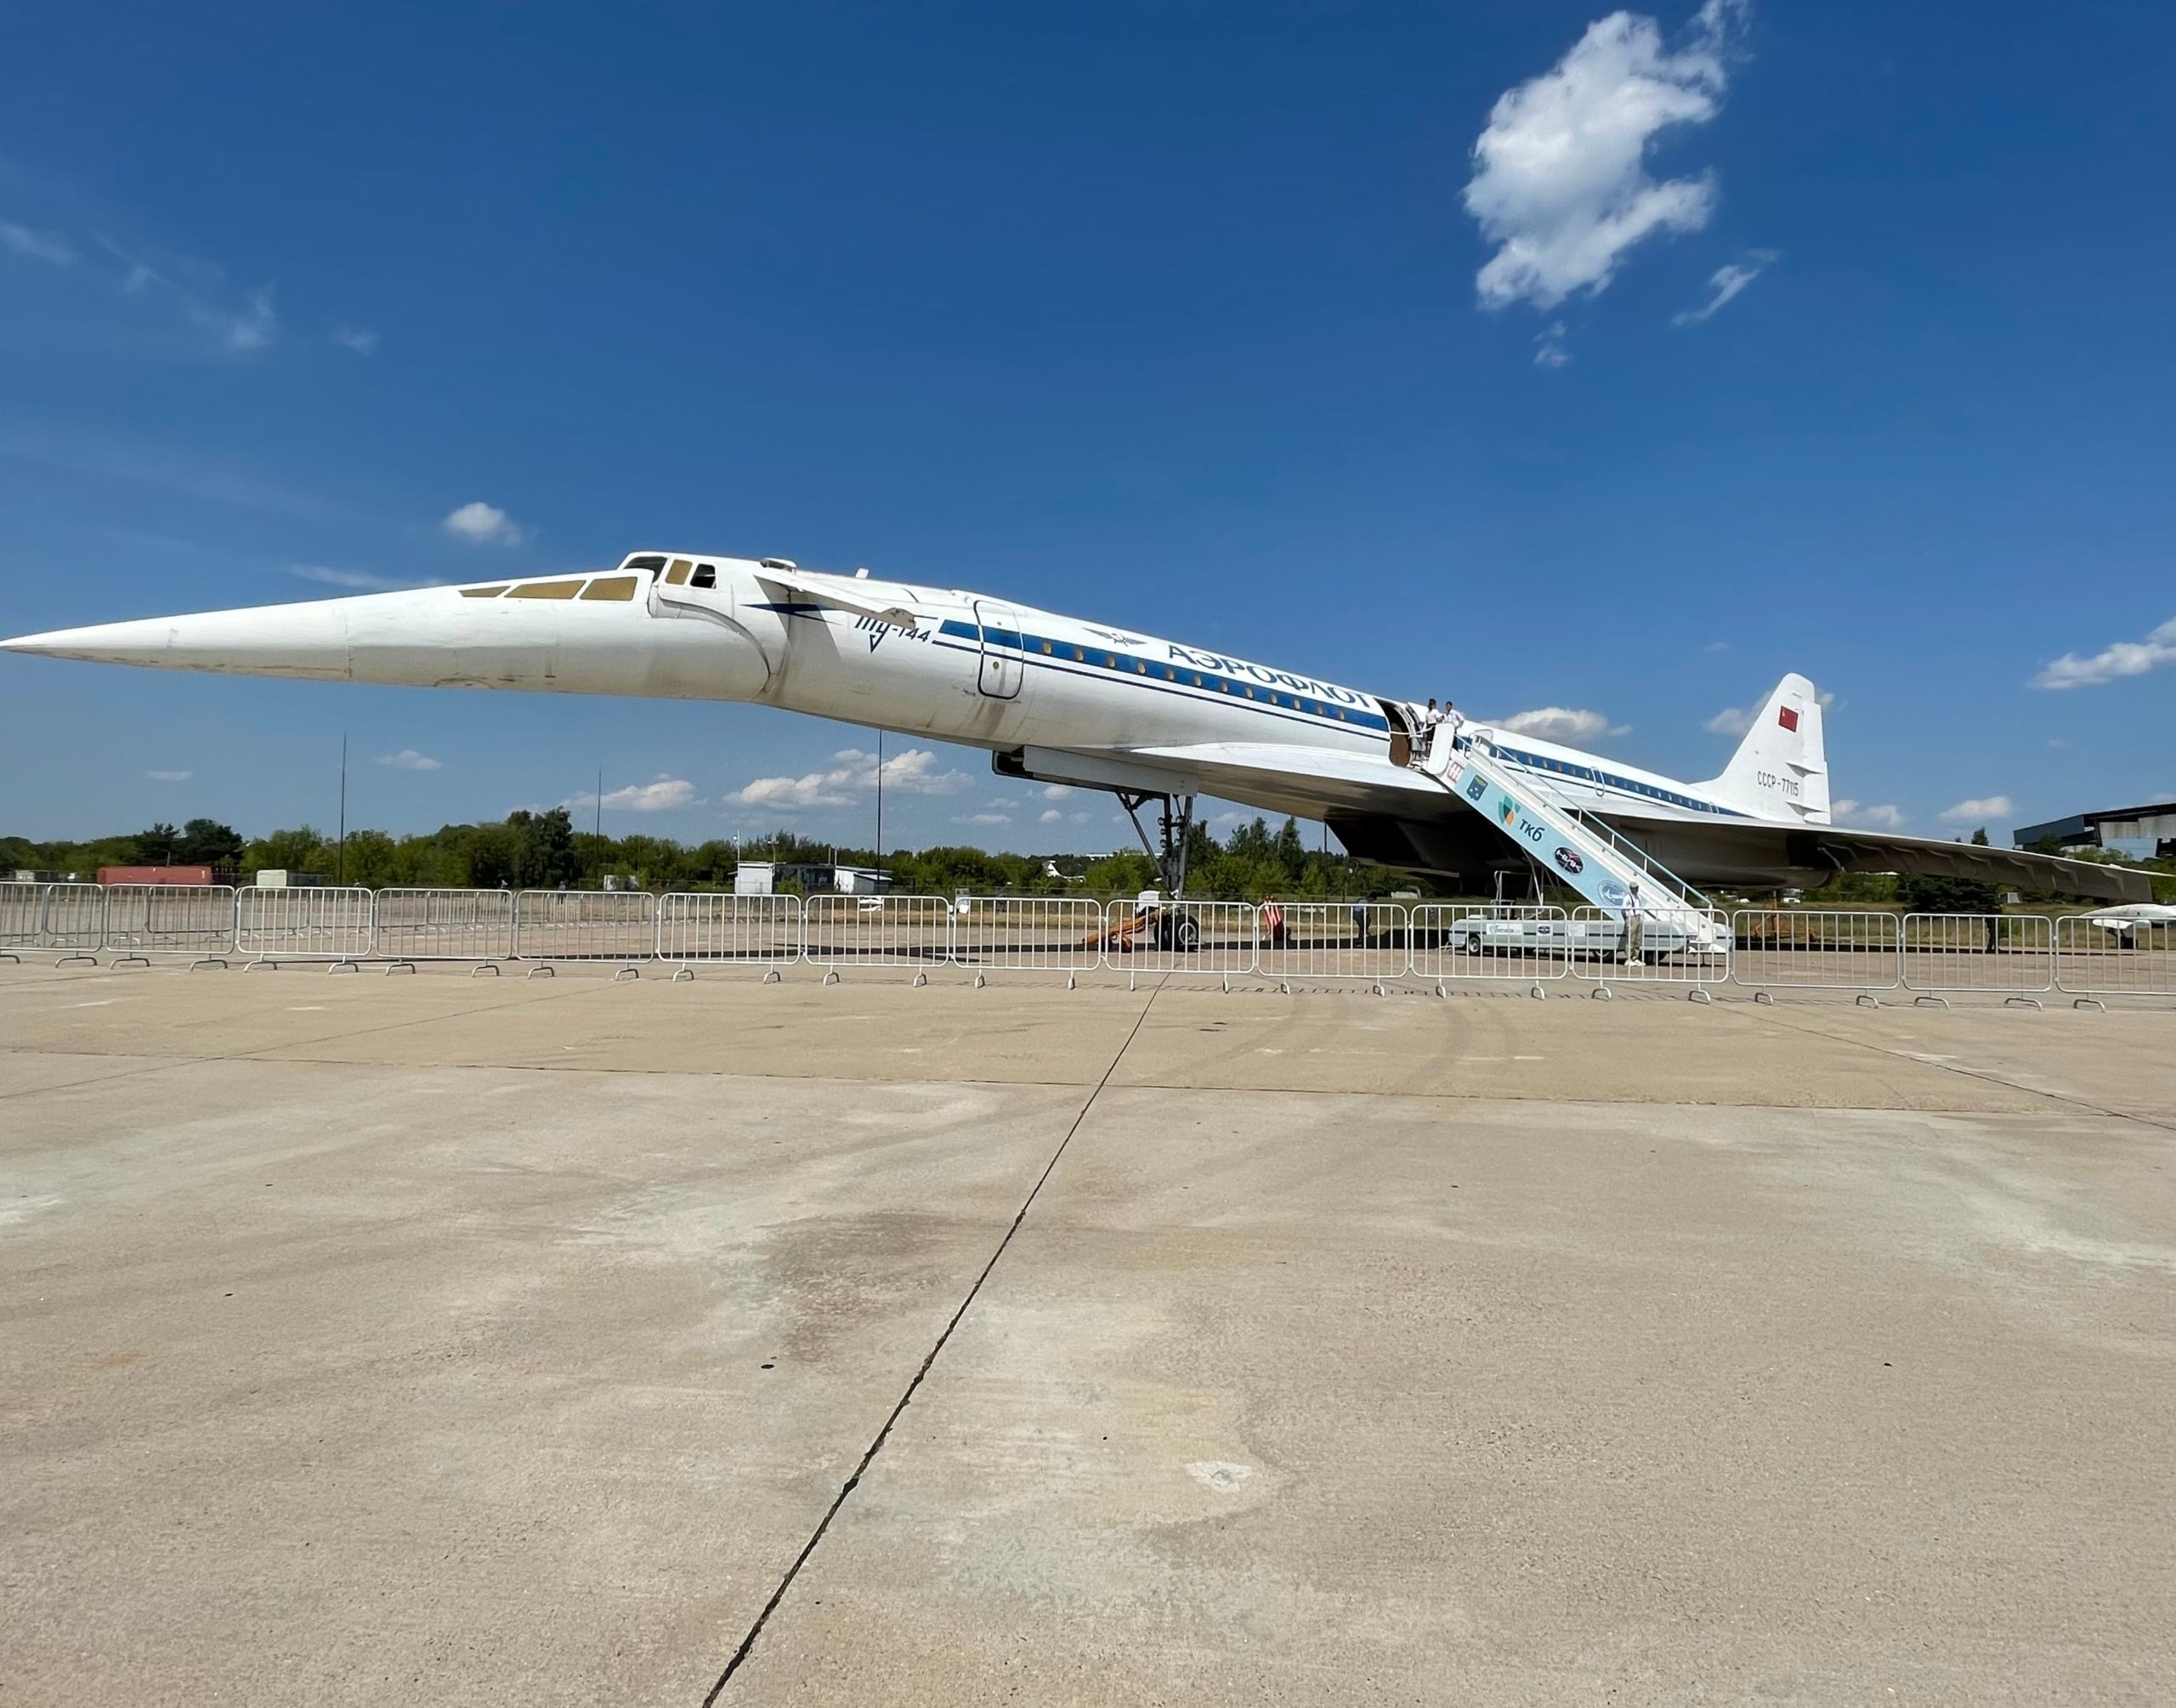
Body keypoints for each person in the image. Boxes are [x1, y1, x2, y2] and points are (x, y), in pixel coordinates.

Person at [1619, 879, 1645, 964]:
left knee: (1638, 939)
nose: (1636, 889)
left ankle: (1635, 957)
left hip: (1638, 917)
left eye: (1637, 887)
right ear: (1631, 888)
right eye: (1634, 888)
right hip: (1631, 917)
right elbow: (1623, 909)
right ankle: (1629, 958)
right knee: (1631, 938)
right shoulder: (1627, 897)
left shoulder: (1639, 897)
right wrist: (1626, 918)